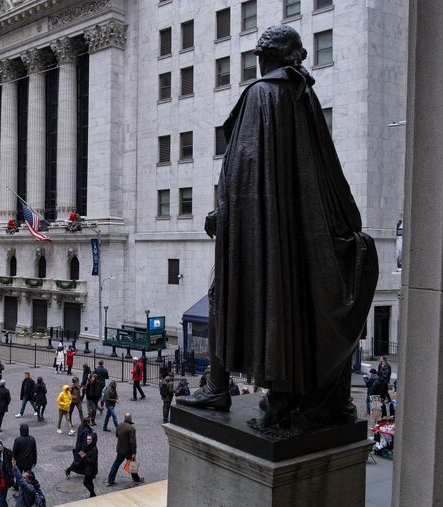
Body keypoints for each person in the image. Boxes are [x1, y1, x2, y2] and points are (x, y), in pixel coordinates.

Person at [183, 25, 378, 433]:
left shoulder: (261, 95)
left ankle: (218, 387)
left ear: (263, 57)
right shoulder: (303, 96)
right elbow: (325, 169)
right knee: (276, 306)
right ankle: (266, 392)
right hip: (295, 236)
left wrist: (222, 215)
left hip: (257, 235)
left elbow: (241, 171)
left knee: (221, 296)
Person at [107, 413, 144, 486]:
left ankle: (110, 479)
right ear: (130, 419)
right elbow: (132, 442)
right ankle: (136, 479)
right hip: (128, 450)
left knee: (116, 464)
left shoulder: (119, 425)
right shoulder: (131, 429)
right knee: (132, 464)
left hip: (120, 448)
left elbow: (117, 434)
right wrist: (134, 452)